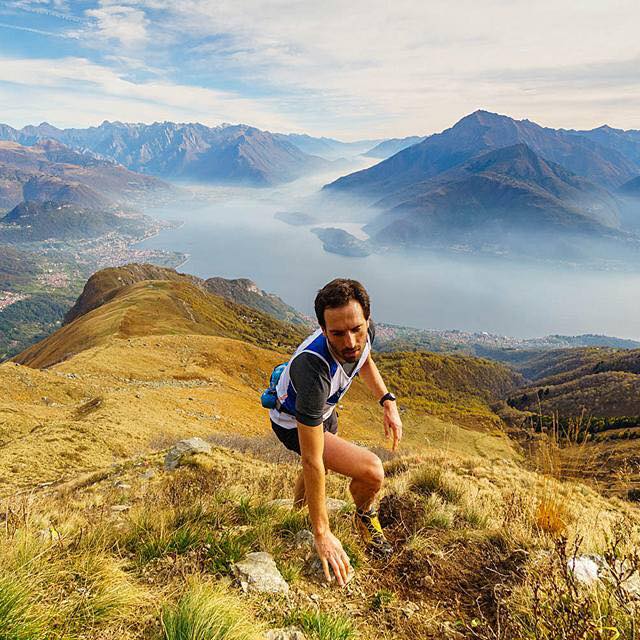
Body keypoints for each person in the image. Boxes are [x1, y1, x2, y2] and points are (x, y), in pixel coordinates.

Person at [269, 278, 403, 586]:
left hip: (323, 411)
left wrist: (387, 400)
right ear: (322, 329)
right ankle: (364, 514)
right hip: (292, 422)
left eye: (357, 329)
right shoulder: (313, 369)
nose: (350, 342)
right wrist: (323, 534)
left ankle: (297, 513)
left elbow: (364, 357)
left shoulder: (362, 334)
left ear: (366, 320)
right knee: (371, 471)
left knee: (323, 464)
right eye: (337, 334)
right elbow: (312, 459)